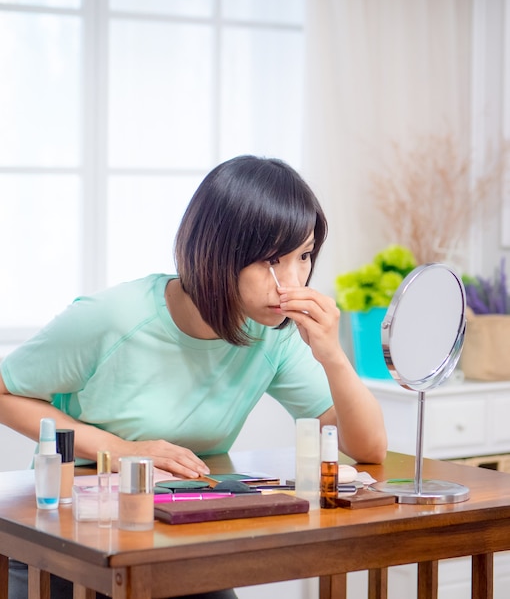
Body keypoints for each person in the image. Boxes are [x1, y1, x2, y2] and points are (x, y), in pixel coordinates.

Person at [0, 155, 387, 599]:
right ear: (219, 251)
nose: (291, 283)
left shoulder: (271, 333)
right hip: (70, 543)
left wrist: (333, 356)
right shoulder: (112, 318)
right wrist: (121, 450)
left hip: (180, 538)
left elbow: (368, 448)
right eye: (272, 260)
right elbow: (3, 392)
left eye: (303, 257)